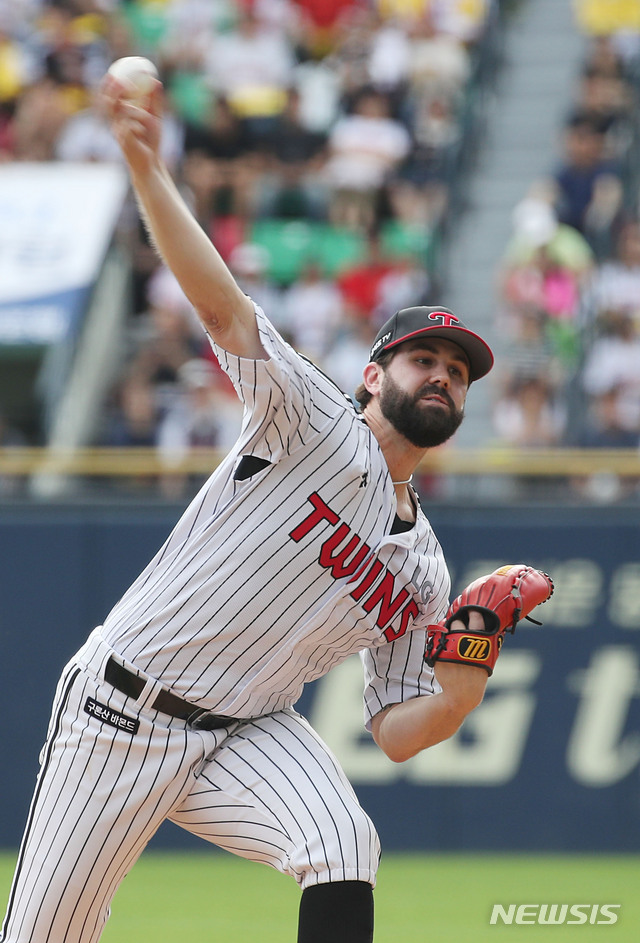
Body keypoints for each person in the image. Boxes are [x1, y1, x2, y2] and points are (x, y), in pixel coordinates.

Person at [2, 73, 498, 943]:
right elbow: (223, 309)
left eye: (457, 373)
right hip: (121, 712)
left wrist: (471, 657)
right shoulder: (308, 417)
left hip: (247, 733)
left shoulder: (423, 563)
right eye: (426, 360)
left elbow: (398, 731)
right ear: (374, 376)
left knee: (343, 840)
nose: (443, 378)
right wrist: (146, 165)